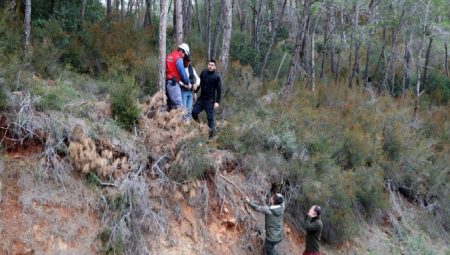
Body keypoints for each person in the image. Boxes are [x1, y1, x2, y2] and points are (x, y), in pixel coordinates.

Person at [192, 59, 222, 138]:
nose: (210, 66)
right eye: (209, 64)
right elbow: (199, 83)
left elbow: (219, 90)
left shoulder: (216, 77)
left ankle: (210, 137)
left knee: (210, 119)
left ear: (215, 67)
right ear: (207, 65)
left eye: (212, 65)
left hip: (210, 101)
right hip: (201, 99)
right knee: (194, 112)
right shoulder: (203, 73)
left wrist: (217, 102)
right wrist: (195, 91)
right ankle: (199, 125)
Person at [166, 43, 191, 111]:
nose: (184, 57)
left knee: (170, 106)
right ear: (183, 51)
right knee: (179, 106)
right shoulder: (178, 59)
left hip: (167, 82)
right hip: (173, 84)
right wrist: (188, 83)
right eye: (185, 55)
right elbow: (183, 74)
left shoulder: (169, 55)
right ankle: (177, 121)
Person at [179, 55, 200, 121]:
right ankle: (183, 123)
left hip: (190, 92)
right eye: (186, 61)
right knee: (183, 109)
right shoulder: (180, 68)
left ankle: (187, 123)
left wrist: (196, 84)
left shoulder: (191, 68)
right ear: (183, 61)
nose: (187, 63)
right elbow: (178, 79)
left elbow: (198, 78)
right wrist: (184, 85)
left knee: (189, 109)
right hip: (183, 91)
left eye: (189, 61)